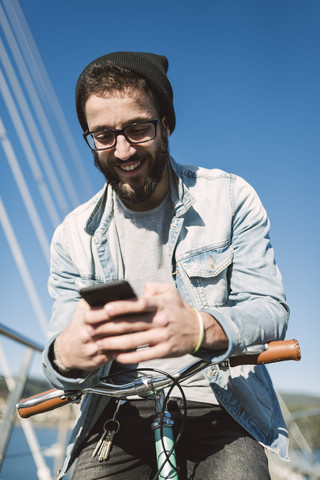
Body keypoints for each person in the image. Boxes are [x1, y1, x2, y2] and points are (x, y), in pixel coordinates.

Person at [42, 51, 289, 480]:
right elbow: (57, 360)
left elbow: (270, 308)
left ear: (166, 124)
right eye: (103, 135)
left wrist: (200, 329)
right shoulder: (71, 236)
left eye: (138, 128)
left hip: (221, 403)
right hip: (118, 410)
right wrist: (65, 355)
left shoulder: (231, 199)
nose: (122, 150)